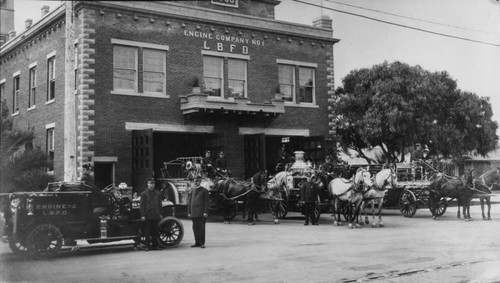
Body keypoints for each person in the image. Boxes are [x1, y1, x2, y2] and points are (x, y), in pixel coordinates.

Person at [139, 177, 163, 251]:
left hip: (155, 215)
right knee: (147, 232)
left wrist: (160, 213)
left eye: (153, 183)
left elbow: (160, 205)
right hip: (148, 215)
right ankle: (147, 246)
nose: (152, 185)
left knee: (155, 231)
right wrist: (143, 215)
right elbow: (142, 205)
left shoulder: (158, 193)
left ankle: (155, 246)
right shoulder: (144, 194)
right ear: (147, 184)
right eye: (150, 183)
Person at [187, 175, 209, 248]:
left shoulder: (204, 191)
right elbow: (189, 202)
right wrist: (189, 212)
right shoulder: (192, 191)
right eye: (195, 181)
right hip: (193, 213)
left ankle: (202, 243)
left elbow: (207, 203)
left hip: (201, 213)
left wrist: (205, 212)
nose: (196, 182)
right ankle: (197, 242)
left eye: (198, 181)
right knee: (195, 228)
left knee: (201, 228)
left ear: (200, 182)